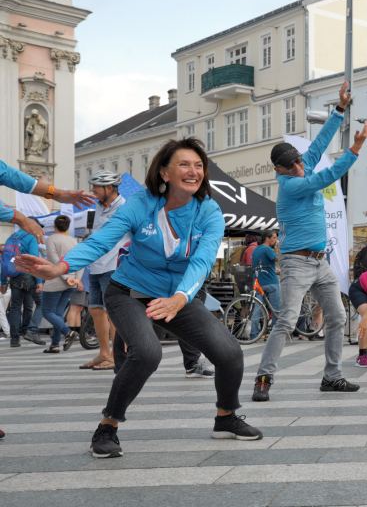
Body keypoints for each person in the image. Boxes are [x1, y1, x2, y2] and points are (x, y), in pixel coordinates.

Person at [16, 137, 262, 458]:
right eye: (184, 164)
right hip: (127, 293)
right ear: (164, 173)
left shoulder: (209, 211)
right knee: (147, 353)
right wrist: (59, 268)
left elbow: (202, 262)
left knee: (229, 352)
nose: (194, 171)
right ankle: (107, 426)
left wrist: (179, 299)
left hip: (176, 297)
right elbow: (101, 241)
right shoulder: (141, 204)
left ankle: (226, 417)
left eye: (199, 165)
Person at [252, 81, 367, 402]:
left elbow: (316, 148)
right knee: (287, 320)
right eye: (294, 165)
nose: (301, 166)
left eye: (300, 161)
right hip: (296, 262)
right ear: (280, 169)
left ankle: (332, 376)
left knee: (337, 316)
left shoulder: (301, 166)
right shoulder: (291, 186)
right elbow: (326, 177)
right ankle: (264, 377)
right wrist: (354, 151)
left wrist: (340, 110)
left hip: (320, 261)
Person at [82, 170, 128, 371]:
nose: (93, 191)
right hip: (95, 265)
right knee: (95, 309)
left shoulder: (125, 207)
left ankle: (118, 356)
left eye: (96, 187)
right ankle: (104, 352)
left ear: (109, 188)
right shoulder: (97, 207)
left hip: (113, 265)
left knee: (114, 313)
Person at [39, 215, 82, 353]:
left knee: (47, 311)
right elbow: (81, 261)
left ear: (54, 226)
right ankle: (55, 344)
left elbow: (54, 260)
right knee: (57, 313)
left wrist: (65, 277)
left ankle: (67, 332)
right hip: (71, 282)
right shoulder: (74, 241)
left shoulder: (51, 239)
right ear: (68, 226)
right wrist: (76, 279)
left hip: (55, 280)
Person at [2, 227, 42, 347]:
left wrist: (2, 281)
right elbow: (35, 261)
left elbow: (5, 261)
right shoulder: (31, 238)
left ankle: (15, 339)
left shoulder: (11, 238)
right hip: (28, 275)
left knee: (15, 307)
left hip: (14, 276)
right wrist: (39, 281)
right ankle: (30, 330)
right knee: (41, 302)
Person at [249, 230, 280, 340]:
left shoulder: (256, 250)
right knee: (276, 310)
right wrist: (277, 248)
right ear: (267, 238)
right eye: (274, 238)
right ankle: (275, 334)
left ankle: (254, 334)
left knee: (257, 309)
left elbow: (259, 266)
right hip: (271, 282)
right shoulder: (268, 249)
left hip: (259, 283)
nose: (275, 240)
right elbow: (277, 259)